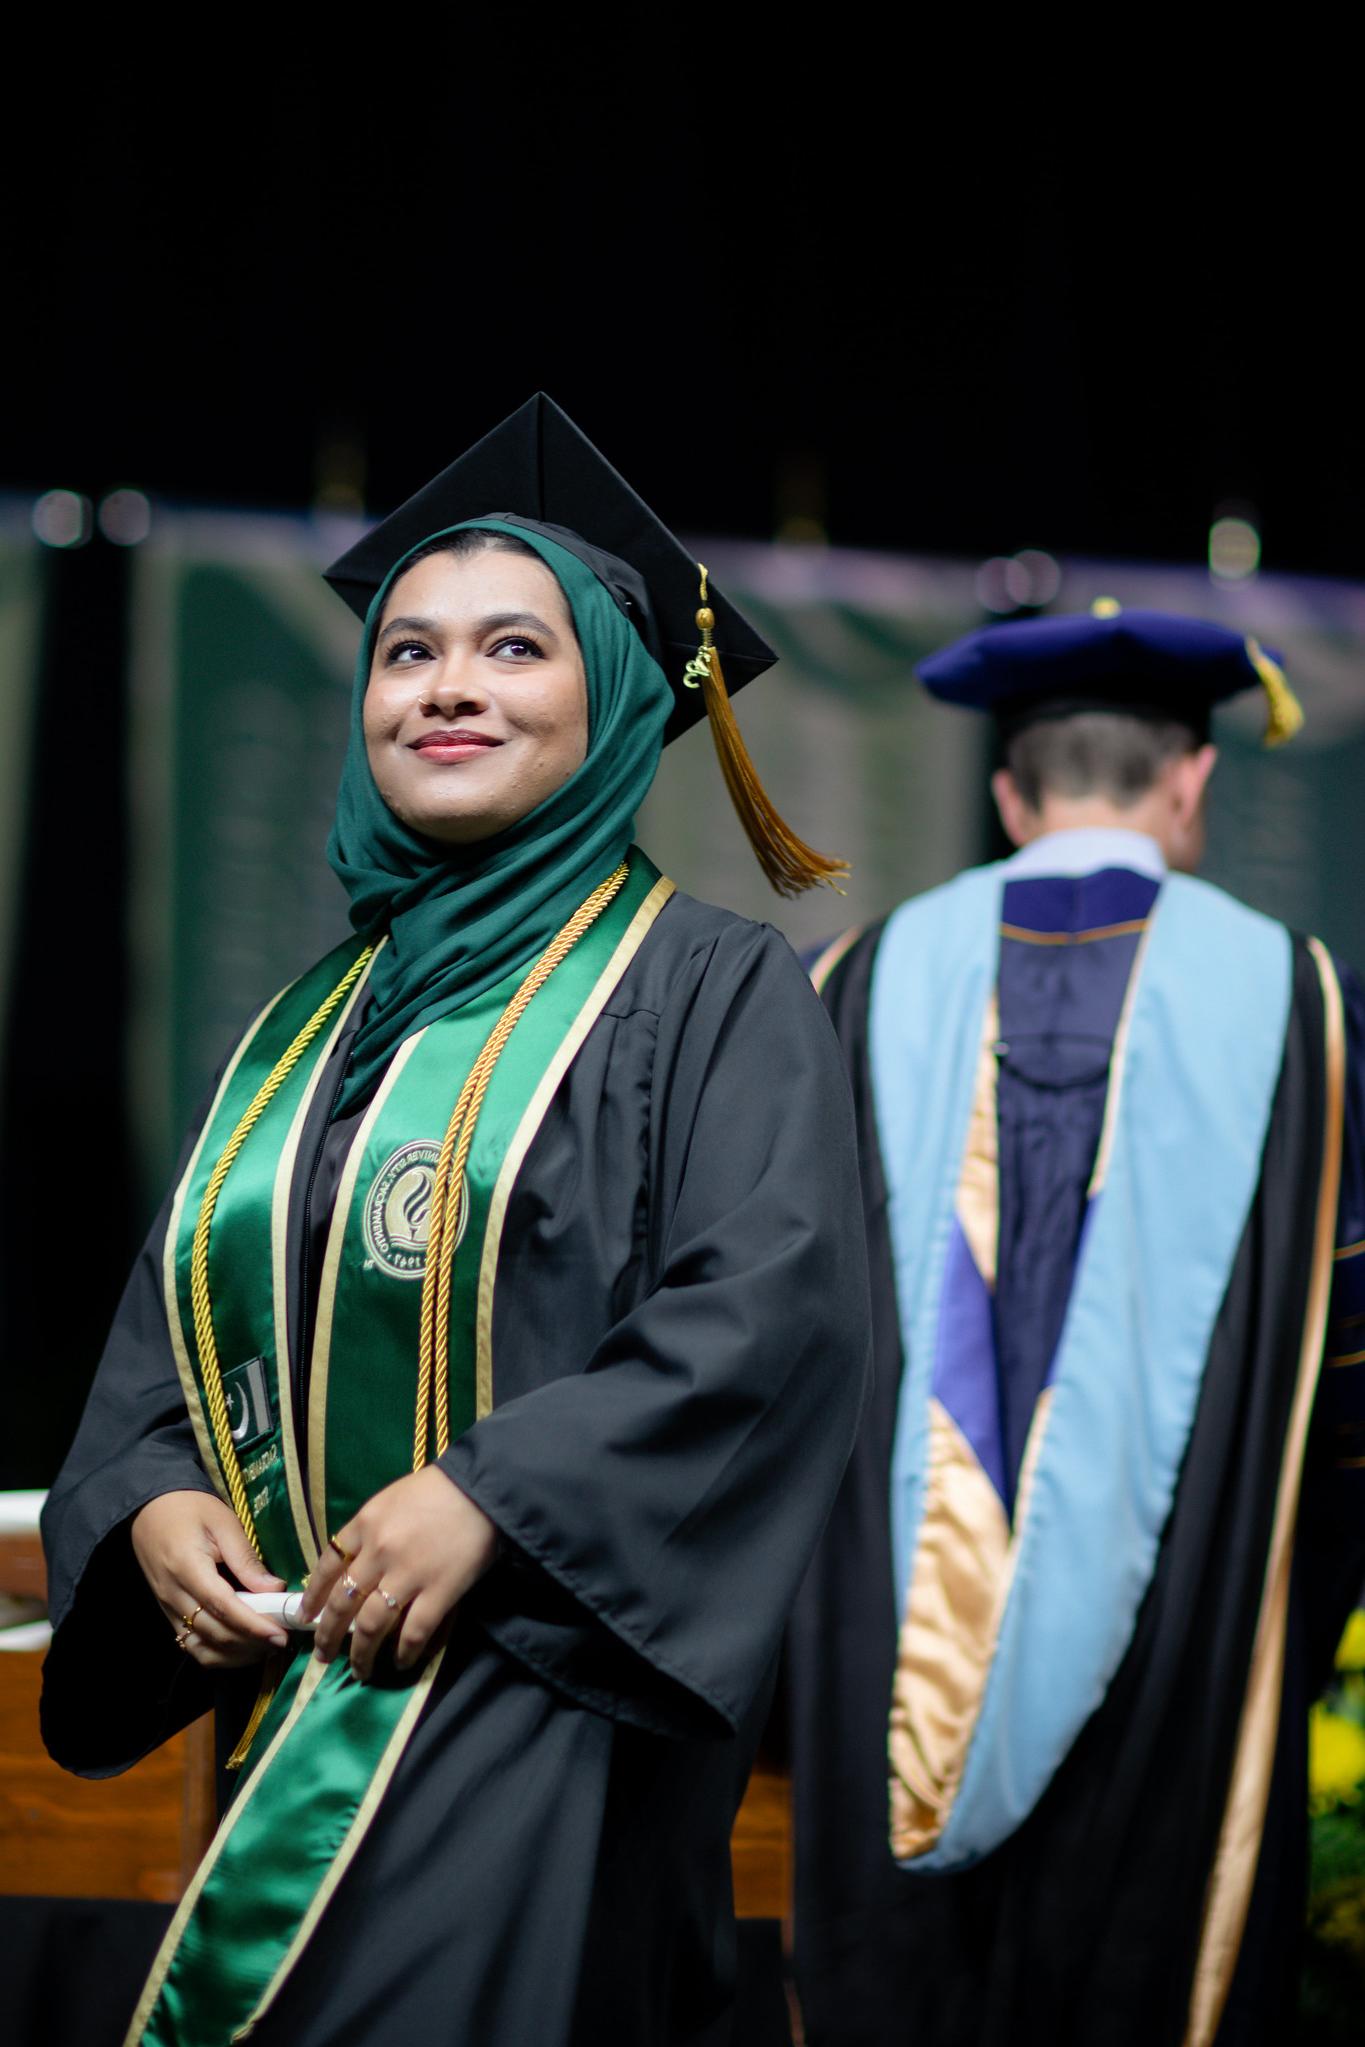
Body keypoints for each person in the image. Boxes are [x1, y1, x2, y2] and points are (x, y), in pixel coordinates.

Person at [39, 394, 871, 2047]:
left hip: (552, 1693)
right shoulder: (304, 1031)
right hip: (297, 1706)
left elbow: (769, 1315)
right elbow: (169, 1337)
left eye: (512, 650)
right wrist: (149, 1505)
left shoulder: (705, 989)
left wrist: (493, 1499)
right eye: (408, 654)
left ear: (617, 696)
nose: (449, 688)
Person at [786, 606, 1365, 2047]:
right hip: (1188, 1666)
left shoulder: (849, 984)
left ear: (1007, 795)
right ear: (1189, 782)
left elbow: (781, 1354)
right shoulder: (1306, 1007)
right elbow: (1348, 1383)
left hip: (886, 1664)